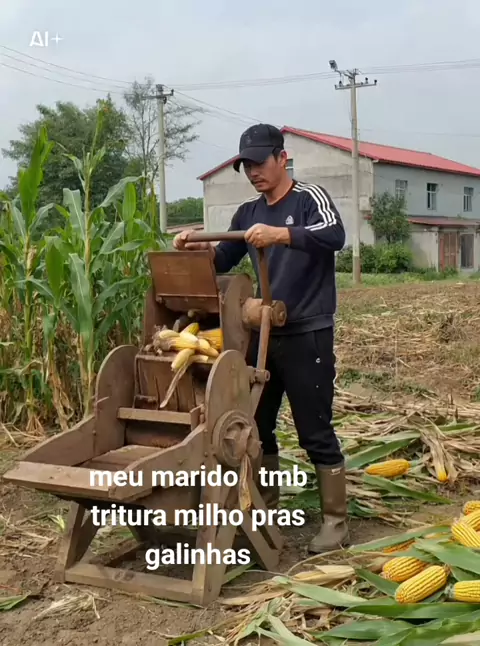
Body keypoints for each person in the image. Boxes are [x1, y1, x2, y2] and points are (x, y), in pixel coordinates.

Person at [173, 123, 348, 553]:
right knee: (257, 427)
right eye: (246, 166)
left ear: (282, 158)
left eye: (259, 163)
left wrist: (281, 234)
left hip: (307, 334)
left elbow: (335, 235)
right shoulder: (247, 214)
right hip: (262, 338)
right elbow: (224, 258)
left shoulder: (309, 199)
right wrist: (198, 248)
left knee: (314, 430)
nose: (253, 172)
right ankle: (266, 513)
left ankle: (336, 521)